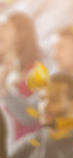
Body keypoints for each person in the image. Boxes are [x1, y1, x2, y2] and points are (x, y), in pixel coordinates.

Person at [0, 11, 43, 140]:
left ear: (21, 34)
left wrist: (4, 89)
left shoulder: (36, 72)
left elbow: (33, 116)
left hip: (22, 147)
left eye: (4, 27)